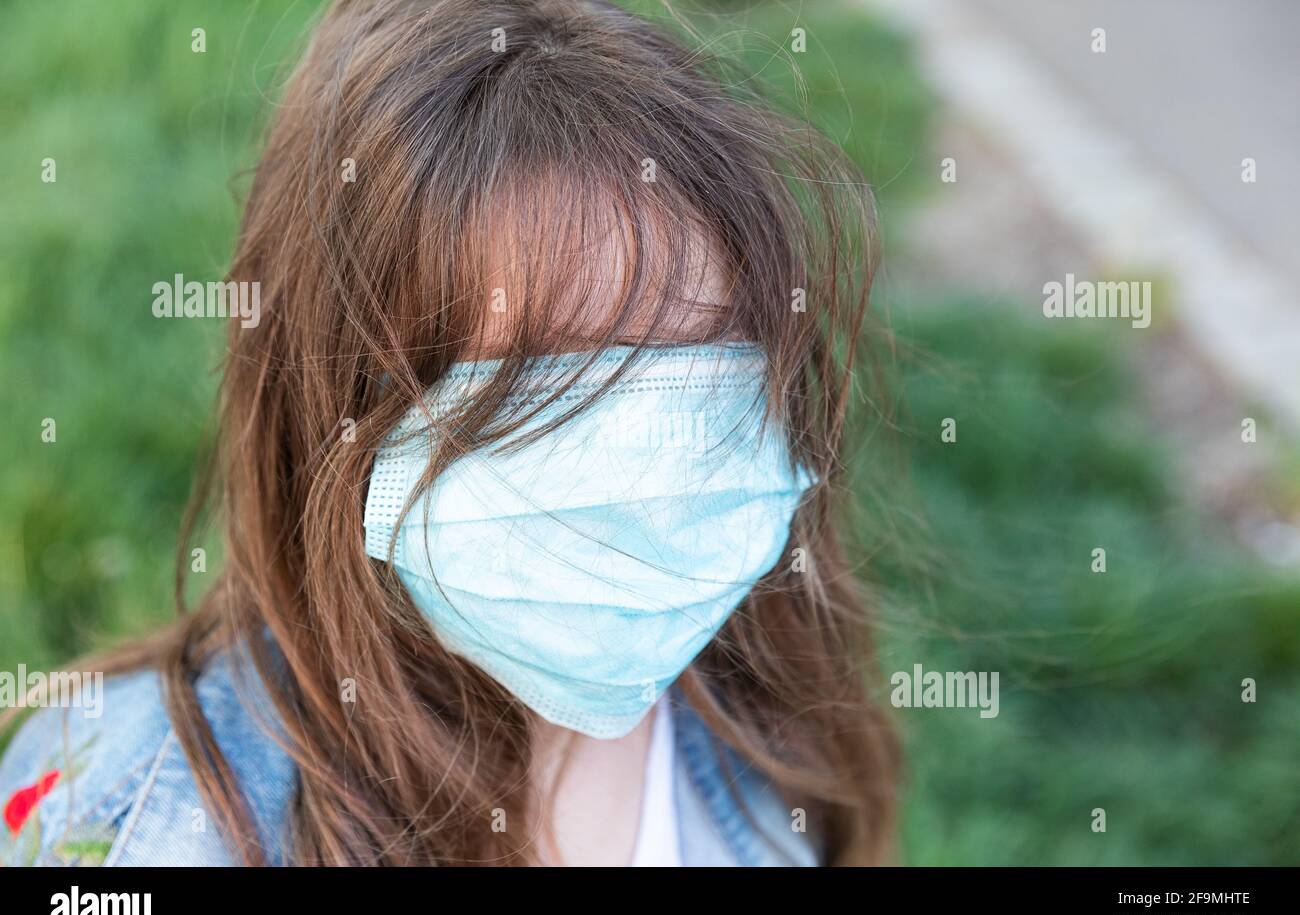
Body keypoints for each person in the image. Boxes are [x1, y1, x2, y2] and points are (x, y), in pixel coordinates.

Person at [0, 0, 896, 867]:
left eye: (700, 366)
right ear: (338, 419)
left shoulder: (758, 729)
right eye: (550, 385)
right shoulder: (138, 823)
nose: (645, 455)